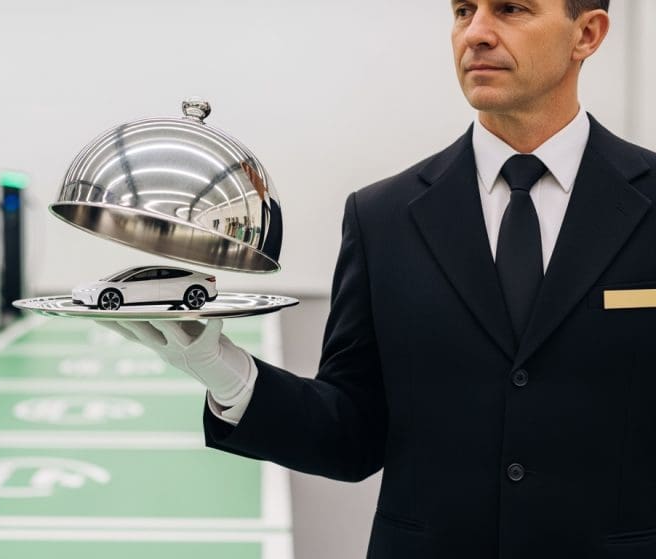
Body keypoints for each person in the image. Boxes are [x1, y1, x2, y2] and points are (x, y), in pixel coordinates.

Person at [102, 1, 656, 556]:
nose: (478, 33)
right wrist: (227, 375)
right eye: (464, 11)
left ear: (587, 33)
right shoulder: (383, 217)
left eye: (511, 9)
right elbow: (352, 434)